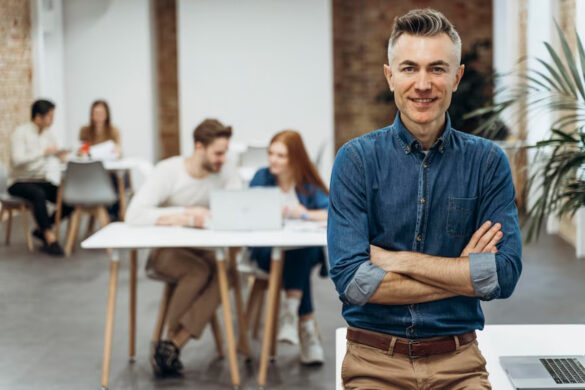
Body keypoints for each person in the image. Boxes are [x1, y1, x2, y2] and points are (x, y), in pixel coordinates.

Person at [328, 9, 522, 389]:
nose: (422, 84)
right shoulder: (356, 161)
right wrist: (462, 273)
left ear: (456, 77)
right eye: (409, 68)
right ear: (390, 76)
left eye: (436, 68)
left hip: (459, 363)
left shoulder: (487, 162)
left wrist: (398, 260)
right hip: (373, 361)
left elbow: (503, 275)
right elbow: (353, 281)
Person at [125, 118, 241, 378]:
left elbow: (237, 206)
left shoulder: (224, 168)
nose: (223, 158)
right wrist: (185, 215)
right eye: (218, 152)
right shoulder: (169, 171)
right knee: (198, 271)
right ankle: (169, 342)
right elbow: (133, 214)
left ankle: (172, 344)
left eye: (225, 152)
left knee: (230, 272)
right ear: (199, 147)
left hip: (202, 247)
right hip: (166, 251)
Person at [249, 130, 329, 365]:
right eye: (271, 153)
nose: (273, 160)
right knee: (296, 256)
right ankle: (304, 327)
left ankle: (290, 314)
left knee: (299, 248)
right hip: (266, 252)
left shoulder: (306, 183)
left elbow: (331, 211)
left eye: (281, 155)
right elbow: (247, 210)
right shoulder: (261, 177)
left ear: (294, 158)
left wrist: (303, 213)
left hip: (301, 250)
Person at [8, 99, 73, 256]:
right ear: (38, 117)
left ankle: (43, 229)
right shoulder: (20, 133)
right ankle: (50, 238)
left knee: (69, 197)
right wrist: (43, 152)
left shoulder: (48, 133)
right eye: (49, 116)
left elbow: (54, 152)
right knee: (38, 195)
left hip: (40, 180)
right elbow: (17, 159)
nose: (52, 120)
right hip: (19, 181)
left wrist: (60, 155)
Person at [79, 100, 123, 220]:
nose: (98, 117)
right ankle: (111, 217)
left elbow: (119, 152)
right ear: (91, 115)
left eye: (101, 113)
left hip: (109, 171)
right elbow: (82, 151)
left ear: (107, 115)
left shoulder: (113, 131)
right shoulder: (85, 131)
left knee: (115, 180)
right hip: (91, 173)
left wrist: (117, 151)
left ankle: (115, 217)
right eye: (95, 113)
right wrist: (84, 151)